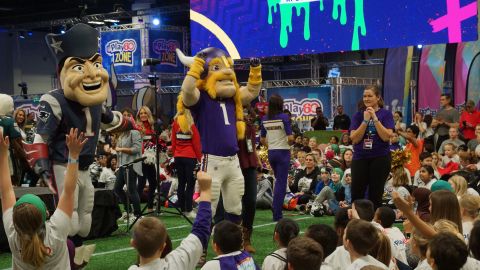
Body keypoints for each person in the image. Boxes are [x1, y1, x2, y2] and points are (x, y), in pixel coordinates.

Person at [177, 48, 262, 224]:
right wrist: (196, 66)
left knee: (235, 206)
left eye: (227, 67)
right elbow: (187, 91)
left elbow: (252, 91)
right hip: (212, 161)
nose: (227, 72)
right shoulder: (201, 99)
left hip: (233, 161)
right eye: (216, 68)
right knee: (208, 205)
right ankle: (201, 249)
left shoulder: (233, 98)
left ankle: (233, 245)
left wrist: (255, 70)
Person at [1, 128, 86, 270]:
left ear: (15, 221)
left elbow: (6, 192)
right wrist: (74, 154)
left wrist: (2, 155)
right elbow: (70, 191)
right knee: (70, 245)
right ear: (46, 213)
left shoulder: (13, 237)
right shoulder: (56, 233)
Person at [128, 171, 213, 270]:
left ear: (133, 243)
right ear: (163, 246)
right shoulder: (177, 263)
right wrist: (206, 190)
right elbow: (201, 231)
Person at [349, 85, 394, 209]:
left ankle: (375, 223)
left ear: (378, 97)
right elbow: (354, 138)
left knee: (376, 193)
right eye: (364, 96)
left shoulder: (386, 114)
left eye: (370, 96)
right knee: (356, 192)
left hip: (380, 157)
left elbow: (386, 137)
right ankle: (355, 222)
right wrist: (365, 121)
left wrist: (374, 118)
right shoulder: (358, 116)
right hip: (360, 157)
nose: (367, 98)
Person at [260, 94, 294, 221]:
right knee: (281, 182)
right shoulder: (284, 117)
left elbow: (262, 139)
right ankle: (277, 212)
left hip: (271, 152)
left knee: (277, 180)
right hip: (283, 152)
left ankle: (276, 206)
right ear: (281, 104)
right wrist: (290, 143)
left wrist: (272, 145)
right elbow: (290, 138)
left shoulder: (264, 118)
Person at [171, 101, 202, 219]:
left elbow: (173, 142)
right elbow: (196, 144)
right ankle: (189, 210)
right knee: (190, 184)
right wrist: (200, 159)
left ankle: (182, 210)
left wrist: (176, 154)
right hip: (190, 158)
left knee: (181, 183)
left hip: (178, 157)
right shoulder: (191, 124)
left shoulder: (175, 123)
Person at [114, 109, 143, 222]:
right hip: (122, 165)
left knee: (131, 190)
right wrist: (117, 165)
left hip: (131, 164)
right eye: (124, 115)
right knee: (117, 188)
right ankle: (128, 211)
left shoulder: (134, 133)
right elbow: (118, 153)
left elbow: (136, 149)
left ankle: (137, 214)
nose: (125, 118)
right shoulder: (121, 134)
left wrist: (121, 149)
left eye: (128, 115)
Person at [238, 107, 260, 253]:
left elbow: (251, 144)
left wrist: (257, 160)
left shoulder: (250, 120)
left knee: (251, 200)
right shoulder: (231, 117)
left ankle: (246, 238)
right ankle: (235, 239)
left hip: (250, 163)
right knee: (234, 203)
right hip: (233, 162)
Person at [135, 106, 159, 214]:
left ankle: (150, 208)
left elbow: (156, 142)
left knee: (153, 182)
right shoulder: (136, 127)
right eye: (141, 113)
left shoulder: (153, 127)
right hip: (141, 157)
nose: (143, 115)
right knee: (141, 182)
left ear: (148, 114)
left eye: (145, 113)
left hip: (151, 158)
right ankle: (136, 210)